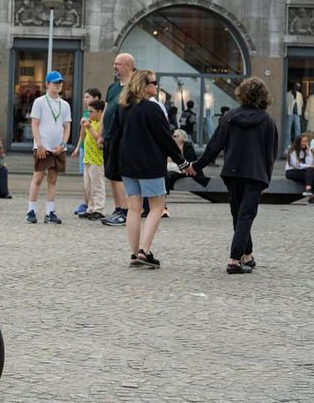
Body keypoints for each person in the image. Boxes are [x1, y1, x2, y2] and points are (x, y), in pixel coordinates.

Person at [191, 77, 280, 273]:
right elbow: (270, 156)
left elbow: (214, 146)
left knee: (239, 213)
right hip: (256, 174)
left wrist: (197, 166)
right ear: (263, 96)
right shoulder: (268, 122)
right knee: (246, 215)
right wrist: (266, 181)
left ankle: (246, 256)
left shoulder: (229, 116)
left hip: (232, 172)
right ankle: (233, 260)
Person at [114, 70, 193, 269]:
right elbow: (165, 139)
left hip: (128, 165)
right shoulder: (152, 109)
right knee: (157, 206)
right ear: (143, 85)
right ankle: (144, 250)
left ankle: (134, 253)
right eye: (153, 83)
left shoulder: (122, 108)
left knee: (134, 208)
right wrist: (182, 163)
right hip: (150, 164)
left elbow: (114, 138)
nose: (156, 86)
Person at [26, 71, 72, 224]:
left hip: (58, 147)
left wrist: (63, 145)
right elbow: (34, 124)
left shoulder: (64, 104)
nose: (58, 85)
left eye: (60, 83)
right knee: (38, 177)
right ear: (47, 84)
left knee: (53, 178)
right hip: (42, 145)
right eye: (55, 83)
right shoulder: (39, 102)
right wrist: (39, 144)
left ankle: (49, 211)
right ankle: (31, 210)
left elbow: (67, 127)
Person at [102, 53, 136, 225]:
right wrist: (101, 134)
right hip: (109, 137)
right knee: (112, 175)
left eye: (119, 64)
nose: (115, 67)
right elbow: (106, 111)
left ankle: (125, 210)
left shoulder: (133, 88)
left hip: (123, 138)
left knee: (120, 176)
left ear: (129, 67)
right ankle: (118, 209)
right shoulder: (113, 87)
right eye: (114, 63)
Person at [73, 98, 107, 220]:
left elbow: (99, 138)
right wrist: (84, 126)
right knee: (88, 186)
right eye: (88, 112)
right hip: (87, 159)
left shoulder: (101, 124)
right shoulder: (90, 122)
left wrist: (90, 128)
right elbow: (82, 136)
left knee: (97, 186)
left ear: (99, 112)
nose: (89, 114)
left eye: (91, 112)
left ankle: (99, 209)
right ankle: (91, 208)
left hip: (97, 161)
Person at [286, 133, 314, 200]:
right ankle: (308, 189)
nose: (305, 143)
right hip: (291, 171)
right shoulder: (293, 151)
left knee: (311, 173)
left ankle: (310, 195)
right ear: (299, 142)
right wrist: (309, 165)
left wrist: (308, 153)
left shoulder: (305, 150)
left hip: (303, 171)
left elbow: (309, 163)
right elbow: (297, 165)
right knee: (310, 171)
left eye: (307, 141)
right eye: (303, 141)